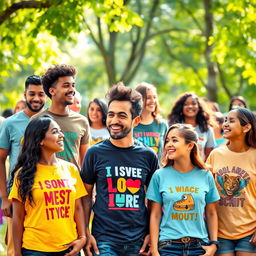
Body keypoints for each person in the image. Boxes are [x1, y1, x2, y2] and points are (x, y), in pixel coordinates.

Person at [81, 83, 159, 256]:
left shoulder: (148, 156)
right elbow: (85, 197)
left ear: (136, 120)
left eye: (122, 116)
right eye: (111, 115)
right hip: (103, 240)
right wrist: (85, 232)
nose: (114, 121)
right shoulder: (94, 153)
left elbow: (155, 201)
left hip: (139, 241)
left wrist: (152, 236)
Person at [9, 115, 87, 256]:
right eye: (55, 132)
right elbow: (18, 217)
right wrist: (17, 252)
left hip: (69, 248)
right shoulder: (23, 174)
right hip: (36, 249)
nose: (61, 135)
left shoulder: (71, 169)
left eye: (60, 131)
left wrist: (82, 237)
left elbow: (78, 207)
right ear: (40, 140)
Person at [147, 123, 220, 256]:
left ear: (190, 145)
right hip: (168, 246)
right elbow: (155, 215)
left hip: (199, 247)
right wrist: (155, 249)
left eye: (174, 140)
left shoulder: (206, 175)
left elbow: (211, 213)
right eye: (167, 140)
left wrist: (214, 245)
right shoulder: (159, 175)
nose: (168, 144)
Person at [0, 75, 46, 256]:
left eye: (41, 94)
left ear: (47, 96)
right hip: (17, 195)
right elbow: (0, 159)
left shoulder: (51, 121)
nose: (36, 98)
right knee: (15, 249)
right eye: (32, 93)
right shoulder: (11, 123)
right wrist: (4, 197)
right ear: (24, 94)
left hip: (45, 195)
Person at [206, 108, 256, 256]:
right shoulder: (216, 154)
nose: (225, 124)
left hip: (249, 230)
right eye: (226, 120)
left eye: (231, 121)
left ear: (246, 127)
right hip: (220, 232)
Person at [36, 64, 90, 169]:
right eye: (66, 85)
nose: (72, 90)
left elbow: (86, 165)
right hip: (44, 183)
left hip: (73, 184)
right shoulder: (37, 121)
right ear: (52, 91)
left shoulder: (82, 121)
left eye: (73, 85)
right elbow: (28, 157)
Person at [167, 92, 216, 160]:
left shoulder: (207, 129)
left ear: (199, 107)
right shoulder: (172, 127)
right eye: (186, 104)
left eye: (193, 103)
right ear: (181, 107)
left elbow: (209, 155)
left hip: (198, 169)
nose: (190, 106)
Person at [133, 82, 168, 159]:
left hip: (157, 170)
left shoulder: (162, 125)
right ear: (139, 100)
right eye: (148, 98)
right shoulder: (131, 124)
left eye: (154, 97)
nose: (153, 101)